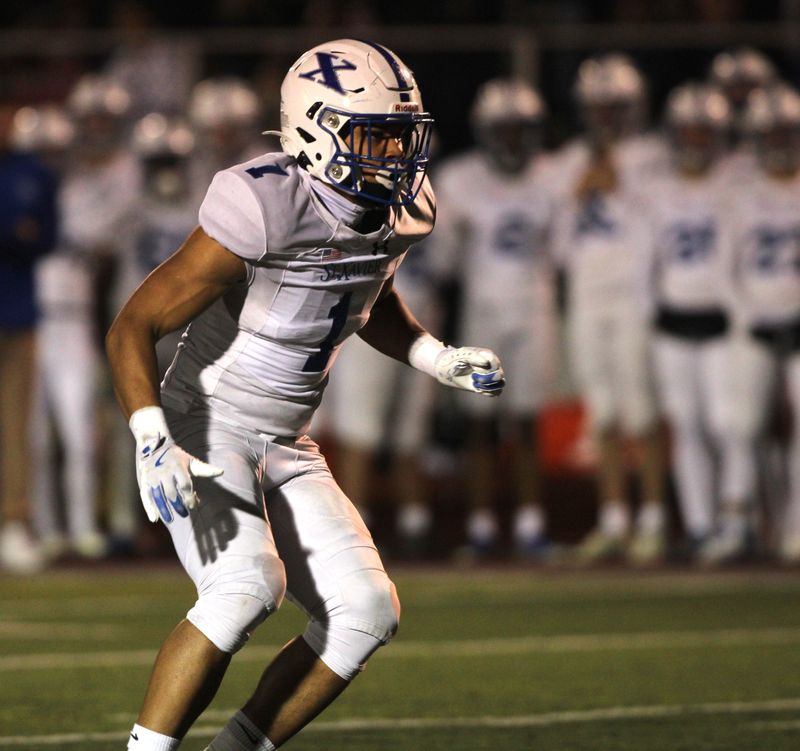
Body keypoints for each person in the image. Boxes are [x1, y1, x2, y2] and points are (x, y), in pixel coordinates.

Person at [106, 39, 505, 751]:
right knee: (245, 587)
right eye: (376, 135)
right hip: (207, 421)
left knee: (366, 611)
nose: (396, 153)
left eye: (401, 135)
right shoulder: (267, 202)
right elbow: (133, 324)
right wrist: (150, 432)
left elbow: (367, 293)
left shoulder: (402, 208)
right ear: (317, 130)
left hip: (288, 439)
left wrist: (434, 355)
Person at [433, 78, 558, 559]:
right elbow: (444, 262)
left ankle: (531, 523)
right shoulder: (460, 178)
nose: (511, 138)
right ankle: (481, 525)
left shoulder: (552, 175)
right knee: (479, 424)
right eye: (503, 128)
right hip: (482, 311)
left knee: (526, 421)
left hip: (534, 310)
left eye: (519, 128)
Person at [552, 53, 668, 564]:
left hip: (633, 296)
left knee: (641, 409)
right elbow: (557, 242)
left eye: (614, 106)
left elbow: (664, 223)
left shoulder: (654, 156)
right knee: (601, 411)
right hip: (586, 294)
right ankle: (614, 518)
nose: (605, 116)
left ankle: (654, 519)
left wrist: (619, 184)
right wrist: (578, 190)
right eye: (598, 106)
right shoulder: (568, 160)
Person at [636, 82, 754, 562]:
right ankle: (702, 525)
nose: (696, 140)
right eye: (688, 131)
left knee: (729, 423)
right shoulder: (656, 189)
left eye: (704, 131)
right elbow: (644, 261)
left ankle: (735, 518)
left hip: (724, 319)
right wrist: (647, 317)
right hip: (672, 318)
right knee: (685, 425)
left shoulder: (738, 183)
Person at [725, 82, 800, 563]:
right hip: (753, 323)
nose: (777, 141)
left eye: (785, 132)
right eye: (770, 133)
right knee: (742, 424)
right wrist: (748, 317)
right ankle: (739, 522)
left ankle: (796, 527)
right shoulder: (739, 194)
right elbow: (724, 268)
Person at [0, 98, 58, 574]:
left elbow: (45, 236)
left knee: (15, 426)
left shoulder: (32, 172)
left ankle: (13, 522)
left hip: (16, 313)